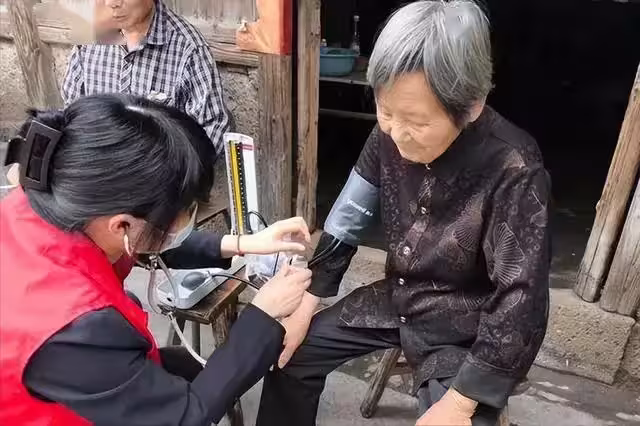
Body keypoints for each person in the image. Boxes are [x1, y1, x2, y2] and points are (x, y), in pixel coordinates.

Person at [256, 2, 551, 426]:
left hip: (466, 325)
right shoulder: (387, 134)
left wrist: (462, 402)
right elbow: (348, 217)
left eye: (416, 121)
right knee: (290, 354)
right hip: (399, 297)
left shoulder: (514, 167)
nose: (396, 133)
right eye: (386, 111)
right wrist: (307, 302)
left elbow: (521, 296)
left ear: (471, 106)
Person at [0, 94, 313, 426]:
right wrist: (263, 313)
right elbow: (184, 417)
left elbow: (148, 238)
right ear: (121, 225)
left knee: (186, 366)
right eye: (185, 211)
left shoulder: (48, 202)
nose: (189, 219)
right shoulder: (76, 330)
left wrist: (244, 243)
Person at [62, 0, 229, 155]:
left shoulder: (188, 49)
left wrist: (169, 169)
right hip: (99, 168)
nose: (112, 3)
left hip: (161, 173)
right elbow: (70, 115)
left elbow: (214, 130)